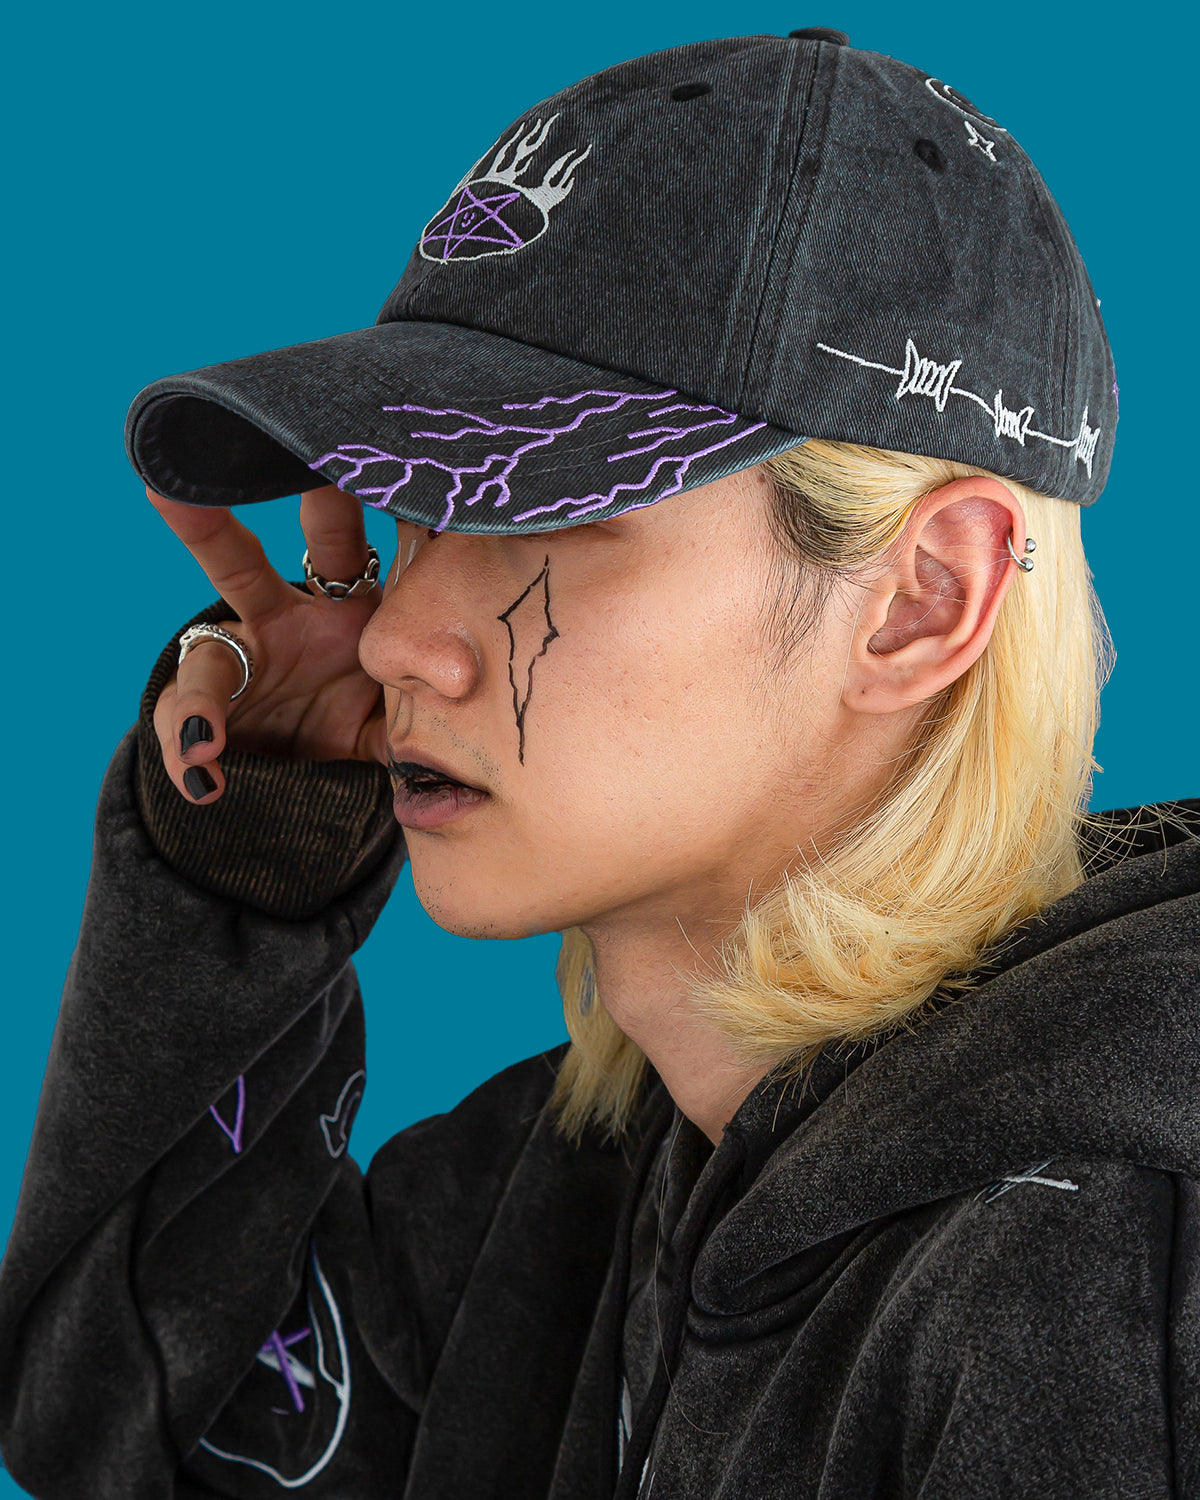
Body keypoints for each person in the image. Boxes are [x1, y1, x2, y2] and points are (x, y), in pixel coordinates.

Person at [1, 26, 1197, 1500]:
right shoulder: (596, 1183)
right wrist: (255, 839)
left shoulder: (1100, 1271)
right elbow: (132, 1430)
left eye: (544, 511)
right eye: (417, 512)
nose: (397, 639)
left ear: (920, 600)